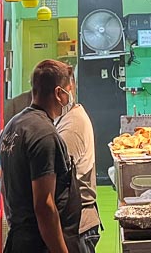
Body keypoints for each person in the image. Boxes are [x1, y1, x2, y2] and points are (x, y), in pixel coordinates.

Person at [0, 67, 101, 253]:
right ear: (59, 93)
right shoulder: (45, 134)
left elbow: (13, 181)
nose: (70, 95)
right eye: (69, 89)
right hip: (44, 241)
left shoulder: (12, 126)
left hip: (20, 238)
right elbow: (45, 205)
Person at [55, 68, 101, 253]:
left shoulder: (72, 126)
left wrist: (2, 174)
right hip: (75, 224)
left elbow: (52, 174)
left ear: (61, 93)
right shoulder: (64, 119)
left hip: (78, 227)